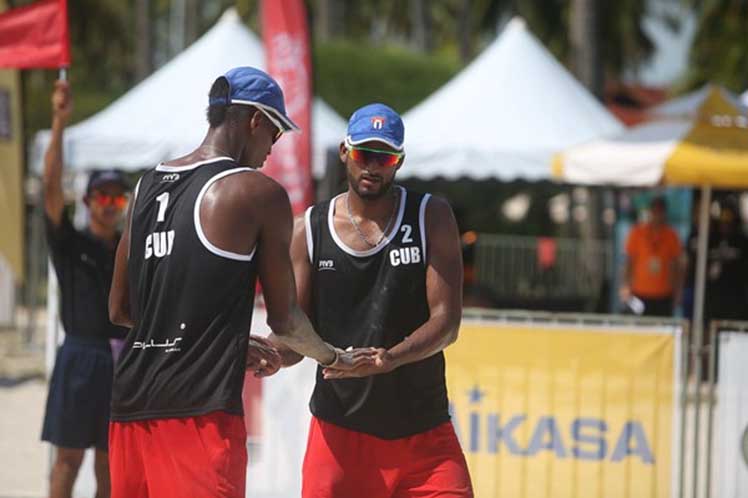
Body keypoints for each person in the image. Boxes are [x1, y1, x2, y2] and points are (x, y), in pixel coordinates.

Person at [107, 67, 374, 498]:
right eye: (276, 131)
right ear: (255, 120)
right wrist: (334, 357)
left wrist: (221, 340)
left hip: (130, 407)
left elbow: (120, 310)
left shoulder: (146, 186)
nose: (274, 146)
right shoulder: (256, 193)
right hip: (198, 412)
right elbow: (286, 321)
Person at [271, 103, 474, 498]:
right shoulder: (308, 229)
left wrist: (389, 359)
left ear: (399, 161)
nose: (373, 166)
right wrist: (273, 354)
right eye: (365, 153)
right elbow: (297, 334)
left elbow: (447, 323)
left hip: (424, 433)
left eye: (385, 156)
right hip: (341, 435)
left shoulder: (430, 215)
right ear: (346, 152)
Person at [41, 80, 129, 498]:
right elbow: (50, 188)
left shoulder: (131, 250)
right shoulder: (70, 242)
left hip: (121, 358)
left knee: (112, 462)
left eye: (118, 199)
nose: (110, 206)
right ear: (88, 200)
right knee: (67, 461)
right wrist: (59, 123)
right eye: (103, 198)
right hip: (79, 356)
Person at [620, 196, 684, 317]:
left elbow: (677, 266)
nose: (657, 215)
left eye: (660, 212)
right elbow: (629, 261)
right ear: (650, 212)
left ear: (665, 213)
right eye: (655, 211)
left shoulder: (672, 235)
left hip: (664, 294)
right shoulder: (637, 233)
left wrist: (678, 291)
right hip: (639, 293)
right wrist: (625, 286)